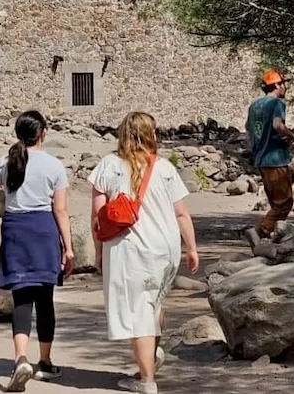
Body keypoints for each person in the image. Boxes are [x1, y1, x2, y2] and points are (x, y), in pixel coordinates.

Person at [88, 112, 199, 394]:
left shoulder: (109, 165)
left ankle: (147, 380)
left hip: (130, 251)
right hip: (165, 249)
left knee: (139, 313)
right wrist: (192, 248)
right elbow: (182, 213)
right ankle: (150, 358)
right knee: (152, 305)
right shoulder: (163, 167)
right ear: (151, 134)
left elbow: (98, 217)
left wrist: (99, 251)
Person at [0, 110, 74, 392]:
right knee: (45, 298)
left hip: (15, 229)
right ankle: (45, 361)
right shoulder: (54, 165)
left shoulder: (6, 162)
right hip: (43, 230)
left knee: (21, 298)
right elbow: (61, 210)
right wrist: (68, 248)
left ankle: (20, 360)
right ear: (42, 133)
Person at [244, 70, 294, 245]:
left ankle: (269, 239)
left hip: (261, 159)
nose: (285, 87)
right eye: (283, 83)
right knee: (284, 203)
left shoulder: (254, 106)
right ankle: (261, 232)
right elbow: (277, 125)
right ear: (277, 85)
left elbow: (249, 132)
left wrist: (254, 150)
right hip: (276, 160)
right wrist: (290, 135)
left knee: (275, 203)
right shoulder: (277, 104)